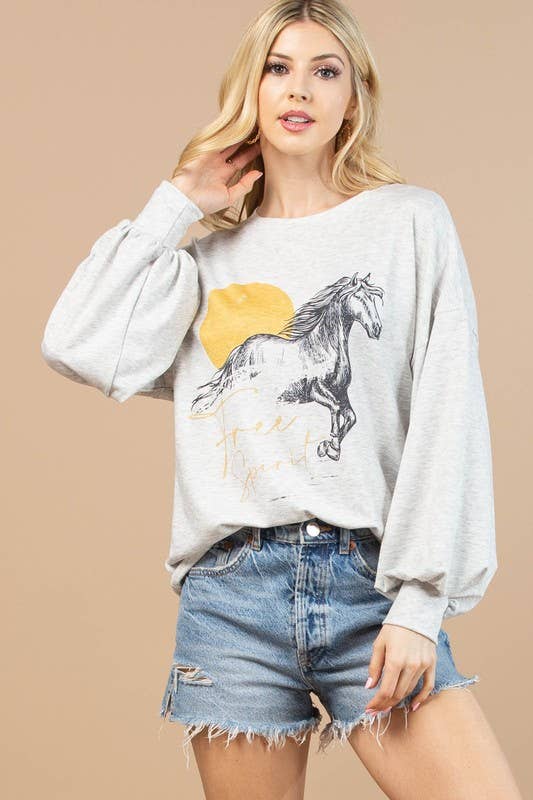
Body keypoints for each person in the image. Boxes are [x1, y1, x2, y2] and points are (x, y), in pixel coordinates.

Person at [41, 1, 523, 797]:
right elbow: (74, 342)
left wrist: (419, 604)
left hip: (370, 585)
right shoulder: (201, 265)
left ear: (352, 100)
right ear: (252, 90)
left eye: (324, 70)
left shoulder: (407, 224)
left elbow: (449, 412)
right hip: (231, 598)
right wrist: (175, 203)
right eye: (277, 67)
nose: (298, 88)